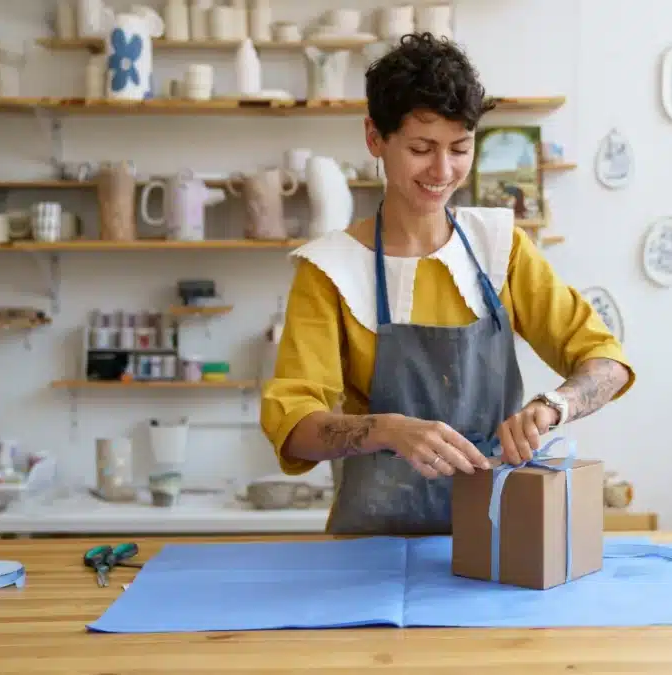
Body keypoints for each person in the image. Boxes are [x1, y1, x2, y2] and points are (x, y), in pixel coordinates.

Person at [260, 33, 634, 535]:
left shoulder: (503, 248)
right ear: (374, 138)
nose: (442, 170)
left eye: (460, 148)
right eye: (421, 148)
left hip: (497, 537)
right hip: (371, 547)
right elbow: (293, 425)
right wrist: (387, 429)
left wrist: (553, 406)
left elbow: (608, 363)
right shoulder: (330, 270)